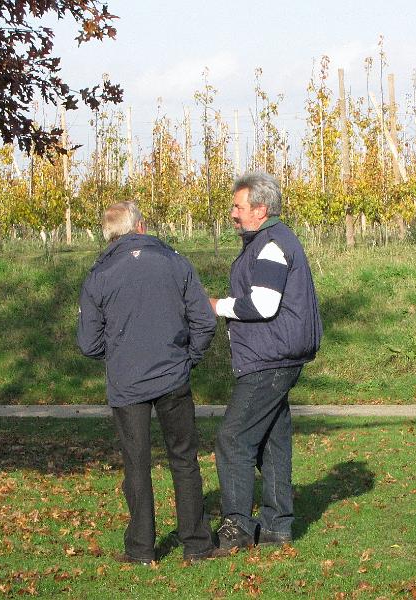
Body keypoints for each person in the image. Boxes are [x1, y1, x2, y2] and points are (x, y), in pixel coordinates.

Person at [78, 201, 217, 565]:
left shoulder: (99, 275)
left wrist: (120, 354)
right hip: (173, 375)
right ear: (141, 227)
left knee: (135, 463)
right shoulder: (175, 261)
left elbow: (88, 342)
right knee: (184, 459)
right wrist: (188, 359)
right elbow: (205, 320)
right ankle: (197, 544)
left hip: (127, 384)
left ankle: (141, 549)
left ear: (109, 235)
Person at [209, 172, 322, 552]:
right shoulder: (270, 239)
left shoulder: (271, 245)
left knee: (233, 438)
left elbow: (263, 304)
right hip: (277, 354)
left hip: (268, 358)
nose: (233, 213)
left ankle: (237, 528)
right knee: (273, 439)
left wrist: (217, 306)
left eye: (238, 206)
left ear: (260, 209)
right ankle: (277, 526)